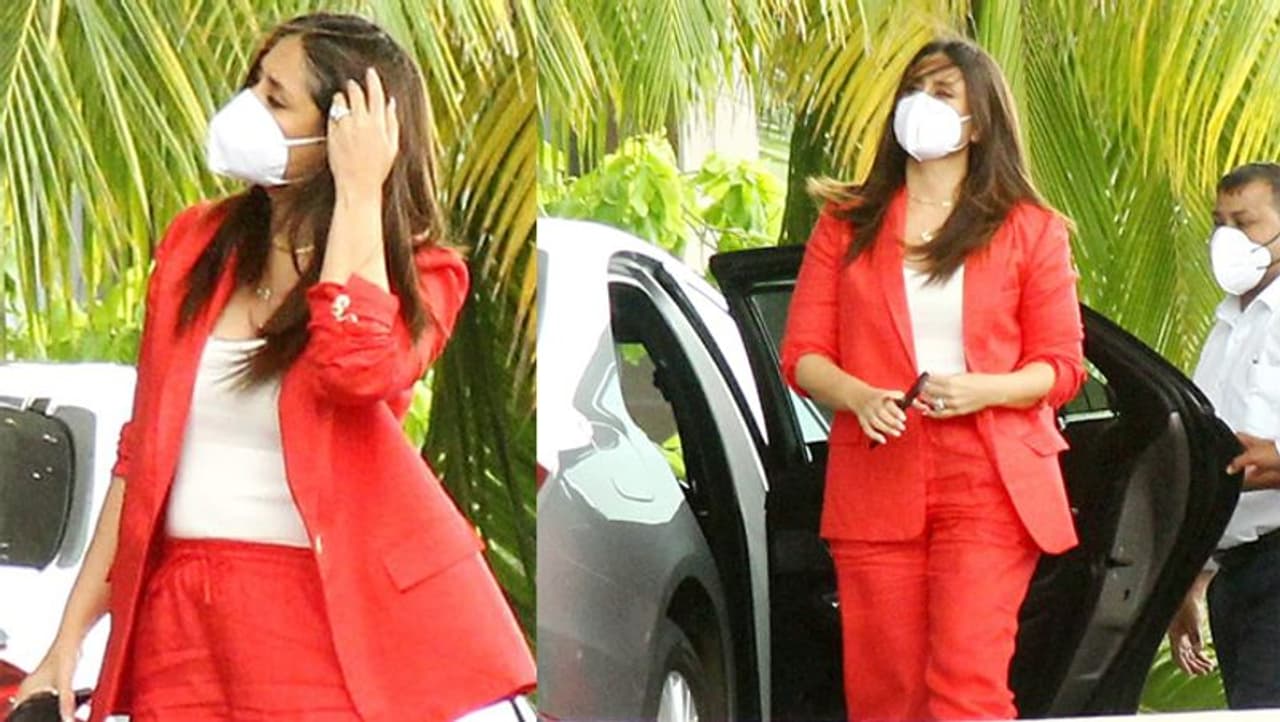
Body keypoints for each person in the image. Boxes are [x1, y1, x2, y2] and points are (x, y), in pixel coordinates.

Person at [9, 13, 535, 722]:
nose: (248, 107)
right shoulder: (198, 244)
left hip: (313, 619)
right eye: (254, 85)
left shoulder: (423, 274)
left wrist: (359, 194)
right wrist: (68, 640)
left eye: (276, 99)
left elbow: (356, 368)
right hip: (180, 613)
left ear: (346, 130)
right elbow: (141, 457)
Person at [779, 38, 1085, 721]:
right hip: (879, 470)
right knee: (885, 693)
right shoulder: (846, 223)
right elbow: (802, 355)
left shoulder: (1030, 230)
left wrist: (984, 388)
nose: (922, 104)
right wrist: (858, 396)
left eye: (943, 92)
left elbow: (1062, 366)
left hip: (990, 476)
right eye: (914, 89)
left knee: (966, 685)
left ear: (978, 123)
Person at [1167, 162, 1280, 709]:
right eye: (1220, 223)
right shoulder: (1226, 327)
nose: (1228, 239)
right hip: (1238, 574)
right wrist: (1190, 580)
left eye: (1246, 222)